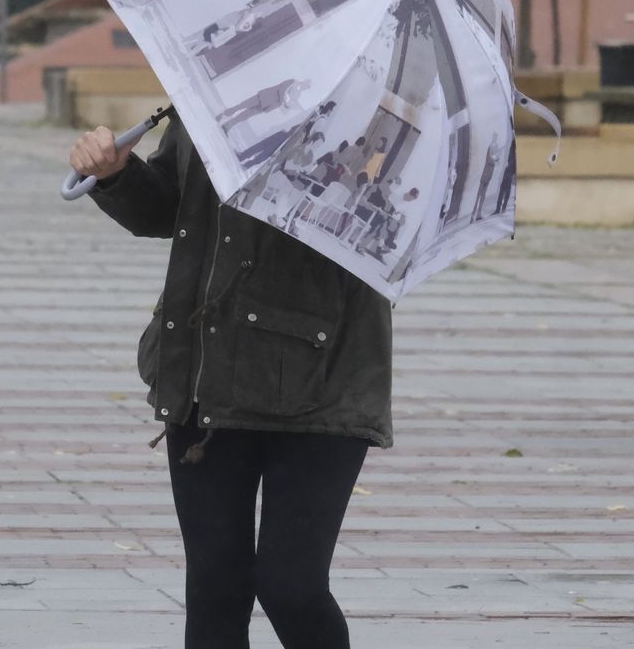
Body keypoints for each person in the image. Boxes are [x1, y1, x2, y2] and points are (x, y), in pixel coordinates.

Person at [70, 117, 393, 649]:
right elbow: (169, 206)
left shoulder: (371, 103)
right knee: (215, 588)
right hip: (206, 369)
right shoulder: (216, 85)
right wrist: (116, 174)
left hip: (323, 378)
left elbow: (385, 226)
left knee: (291, 587)